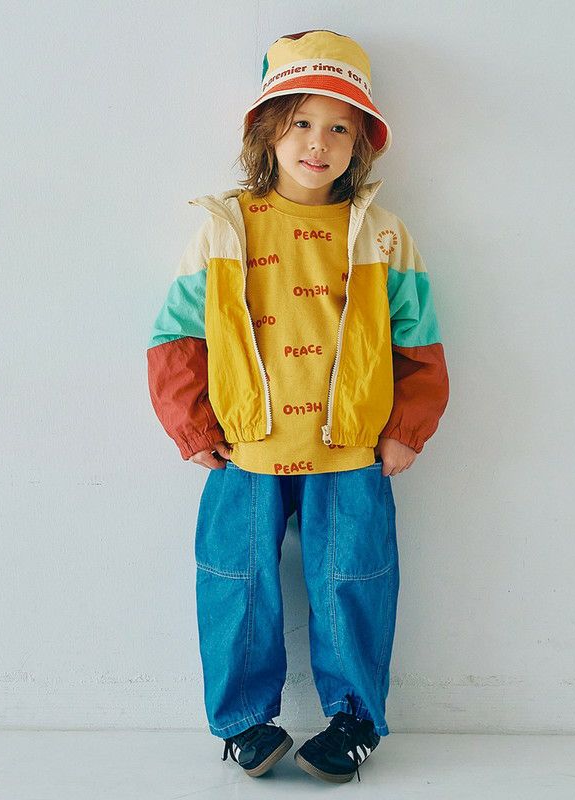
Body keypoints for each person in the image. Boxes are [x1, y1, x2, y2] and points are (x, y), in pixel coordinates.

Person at [146, 29, 450, 784]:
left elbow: (419, 341)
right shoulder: (226, 229)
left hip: (350, 447)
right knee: (236, 583)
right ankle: (244, 723)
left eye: (341, 128)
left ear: (361, 143)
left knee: (355, 581)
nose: (319, 142)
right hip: (244, 445)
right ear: (267, 131)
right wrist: (191, 425)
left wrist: (406, 430)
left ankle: (353, 721)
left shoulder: (383, 236)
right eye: (302, 122)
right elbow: (177, 336)